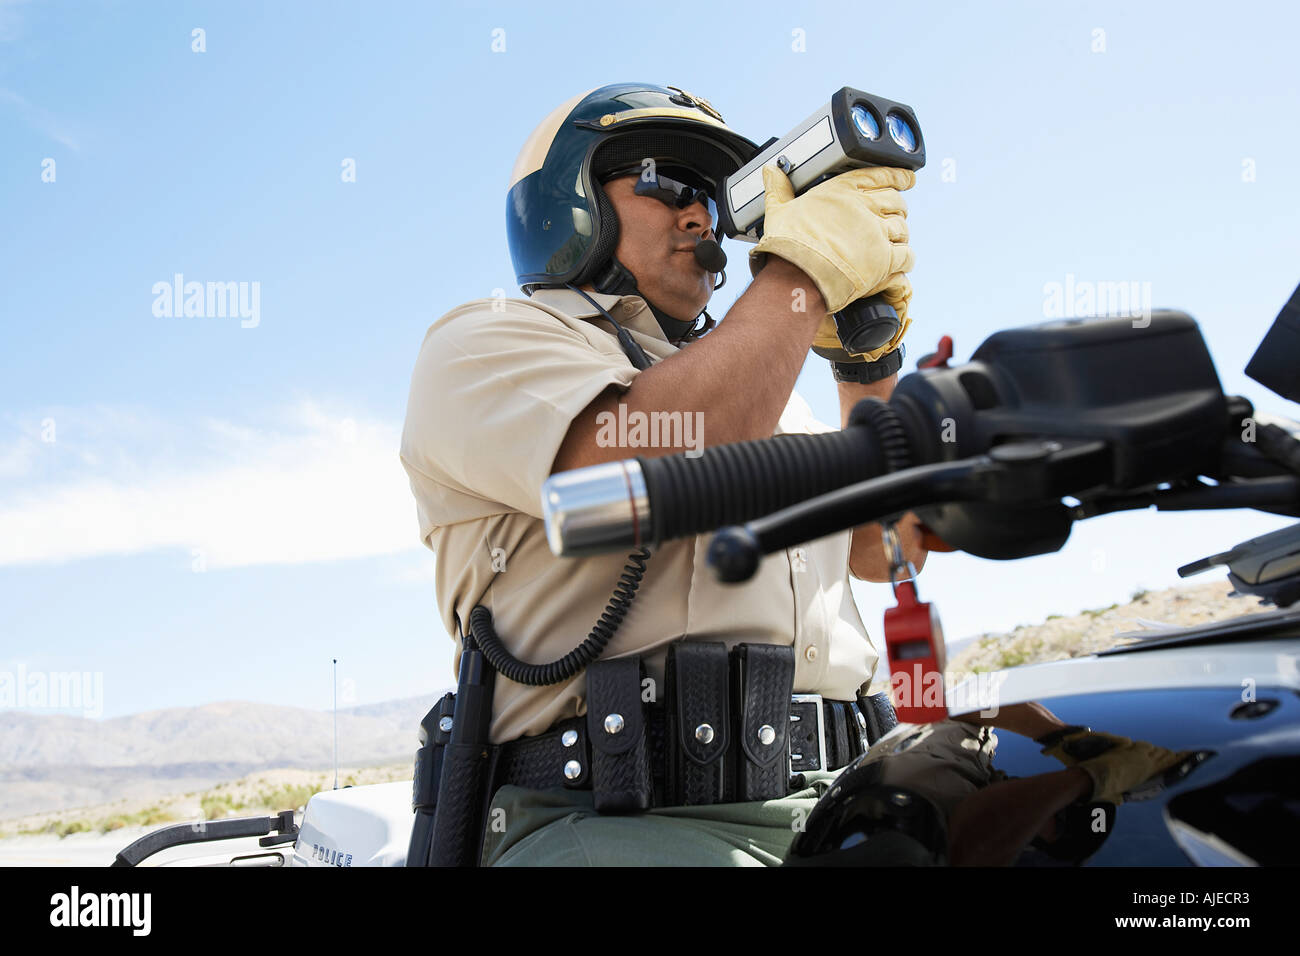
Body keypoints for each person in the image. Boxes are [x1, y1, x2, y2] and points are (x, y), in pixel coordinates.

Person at [400, 82, 929, 866]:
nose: (700, 214)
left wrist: (866, 360)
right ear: (570, 202)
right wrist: (804, 277)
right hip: (618, 817)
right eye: (667, 180)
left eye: (711, 196)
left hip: (848, 793)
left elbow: (888, 549)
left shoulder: (767, 396)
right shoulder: (485, 342)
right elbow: (667, 450)